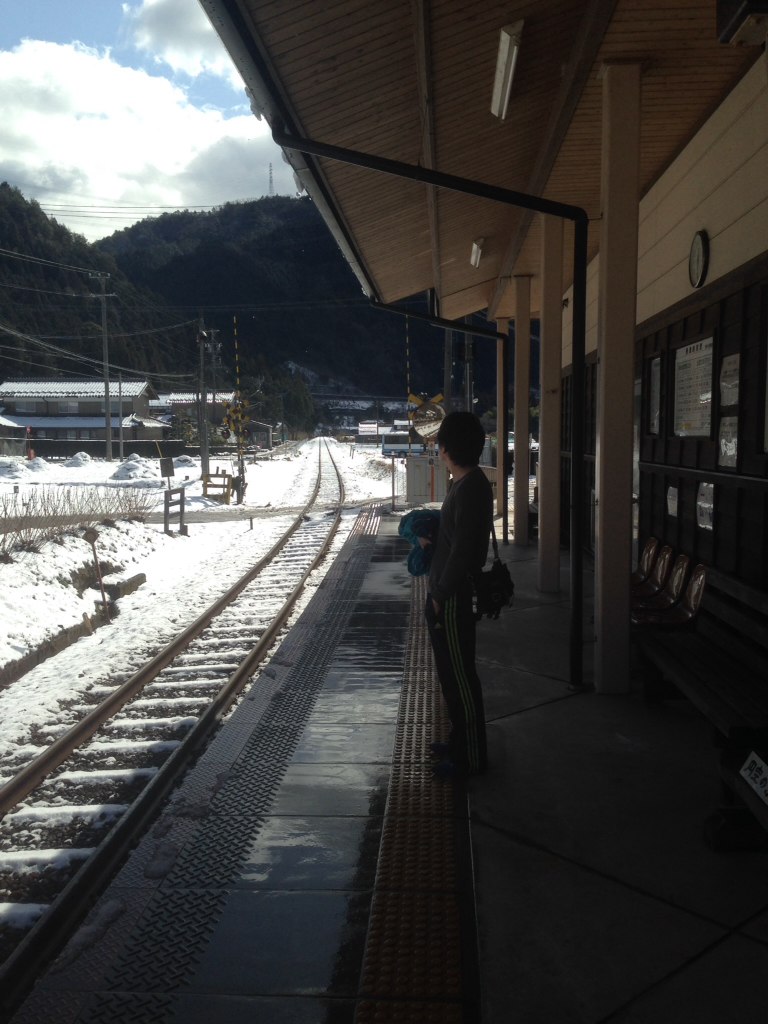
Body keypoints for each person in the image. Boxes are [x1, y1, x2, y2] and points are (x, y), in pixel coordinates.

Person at [424, 410, 493, 778]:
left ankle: (472, 758)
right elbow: (456, 538)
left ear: (447, 448)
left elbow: (464, 553)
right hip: (446, 592)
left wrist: (439, 595)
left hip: (452, 596)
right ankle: (458, 741)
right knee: (450, 676)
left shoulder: (470, 489)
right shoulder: (465, 483)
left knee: (461, 679)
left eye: (440, 443)